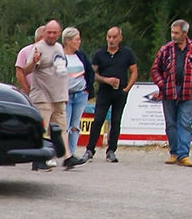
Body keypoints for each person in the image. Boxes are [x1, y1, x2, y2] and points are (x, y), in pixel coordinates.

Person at [149, 19, 192, 166]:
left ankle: (183, 154)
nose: (173, 35)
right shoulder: (165, 49)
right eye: (172, 32)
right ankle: (174, 152)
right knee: (171, 123)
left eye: (176, 33)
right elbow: (155, 70)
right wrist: (162, 85)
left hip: (188, 92)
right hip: (169, 90)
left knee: (185, 123)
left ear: (185, 33)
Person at [22, 20, 76, 168]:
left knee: (61, 128)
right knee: (43, 129)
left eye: (54, 32)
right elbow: (26, 70)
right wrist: (33, 62)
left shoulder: (59, 47)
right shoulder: (38, 48)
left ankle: (67, 157)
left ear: (59, 33)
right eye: (49, 32)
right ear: (44, 32)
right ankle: (39, 159)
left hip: (59, 95)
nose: (51, 35)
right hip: (43, 95)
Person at [87, 26, 137, 162]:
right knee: (98, 120)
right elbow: (93, 73)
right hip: (104, 91)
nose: (111, 40)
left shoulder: (127, 53)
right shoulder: (99, 54)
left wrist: (127, 88)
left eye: (114, 37)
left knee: (116, 121)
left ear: (120, 38)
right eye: (109, 37)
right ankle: (90, 150)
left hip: (120, 92)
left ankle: (111, 150)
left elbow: (134, 71)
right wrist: (105, 80)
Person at [61, 27, 93, 161]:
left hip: (80, 94)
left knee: (75, 125)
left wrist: (88, 89)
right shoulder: (60, 56)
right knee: (65, 124)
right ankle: (65, 153)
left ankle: (72, 152)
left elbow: (90, 72)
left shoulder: (81, 55)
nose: (79, 42)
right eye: (76, 39)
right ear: (68, 41)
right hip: (65, 95)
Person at [14, 25, 44, 95]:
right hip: (30, 91)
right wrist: (27, 91)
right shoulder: (25, 51)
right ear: (40, 38)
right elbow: (19, 73)